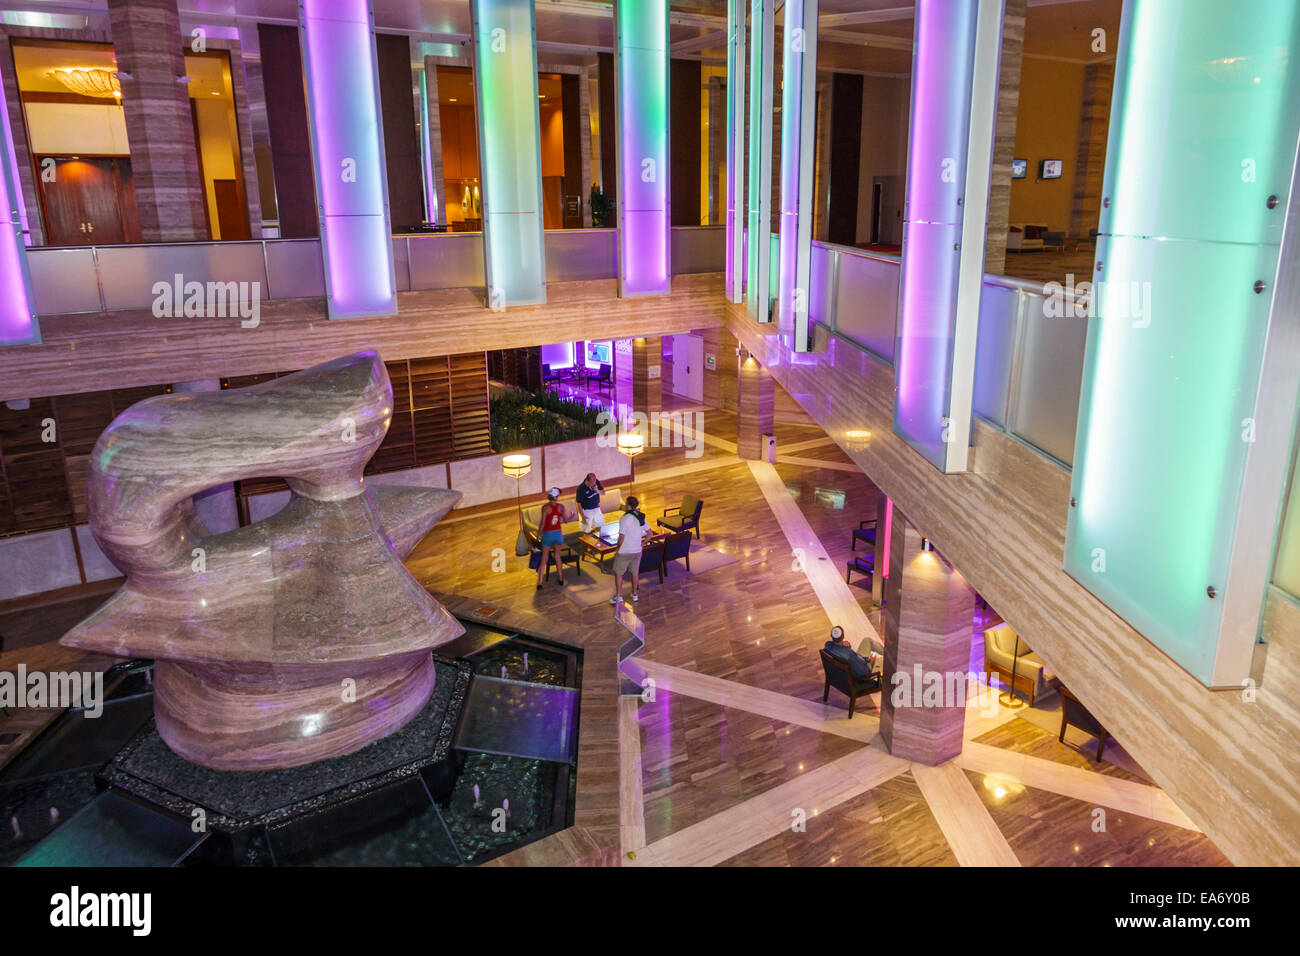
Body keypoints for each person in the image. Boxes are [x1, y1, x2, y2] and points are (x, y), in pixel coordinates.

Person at [610, 496, 648, 605]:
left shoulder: (624, 519)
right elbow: (649, 533)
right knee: (634, 572)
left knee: (618, 573)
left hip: (625, 551)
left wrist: (617, 549)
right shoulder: (641, 517)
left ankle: (618, 596)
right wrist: (643, 543)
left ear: (628, 506)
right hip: (637, 550)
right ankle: (634, 594)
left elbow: (621, 537)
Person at [536, 487, 574, 590]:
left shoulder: (545, 508)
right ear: (557, 497)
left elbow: (543, 524)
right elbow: (566, 520)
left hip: (548, 535)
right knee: (558, 557)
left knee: (544, 559)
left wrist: (538, 535)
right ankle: (560, 579)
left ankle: (539, 583)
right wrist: (572, 516)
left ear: (549, 496)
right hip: (558, 535)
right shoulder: (561, 507)